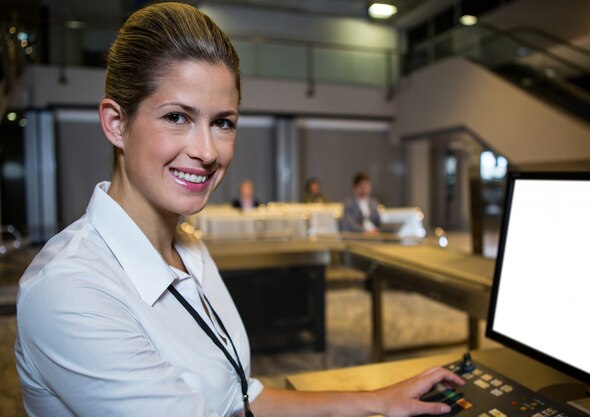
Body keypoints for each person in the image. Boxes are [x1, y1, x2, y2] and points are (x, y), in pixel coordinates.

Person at [14, 3, 463, 417]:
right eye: (177, 117)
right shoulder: (70, 291)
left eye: (223, 123)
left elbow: (239, 397)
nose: (207, 151)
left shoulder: (188, 246)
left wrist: (375, 401)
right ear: (116, 123)